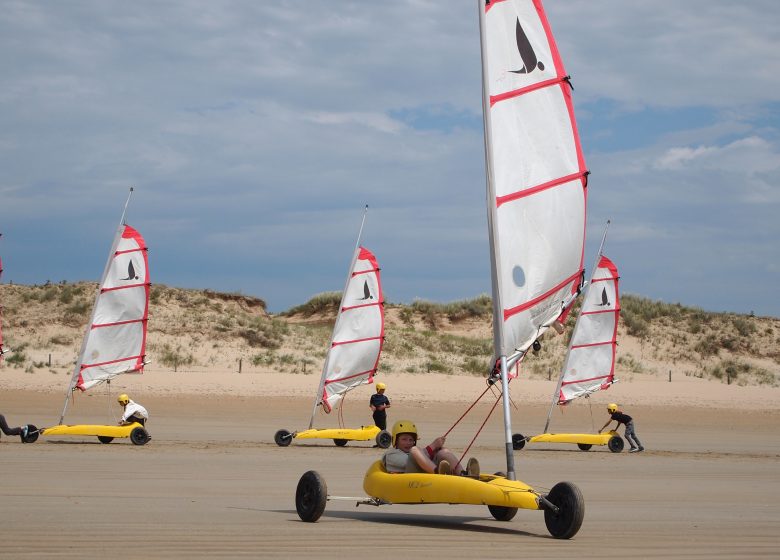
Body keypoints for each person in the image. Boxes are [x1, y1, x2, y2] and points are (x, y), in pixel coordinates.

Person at [382, 419, 480, 476]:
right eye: (404, 439)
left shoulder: (415, 452)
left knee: (443, 451)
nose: (408, 443)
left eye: (411, 440)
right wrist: (432, 446)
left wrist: (436, 451)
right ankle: (438, 472)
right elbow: (406, 462)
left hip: (424, 473)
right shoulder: (391, 454)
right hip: (409, 479)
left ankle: (463, 474)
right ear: (395, 440)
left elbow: (420, 459)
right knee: (415, 450)